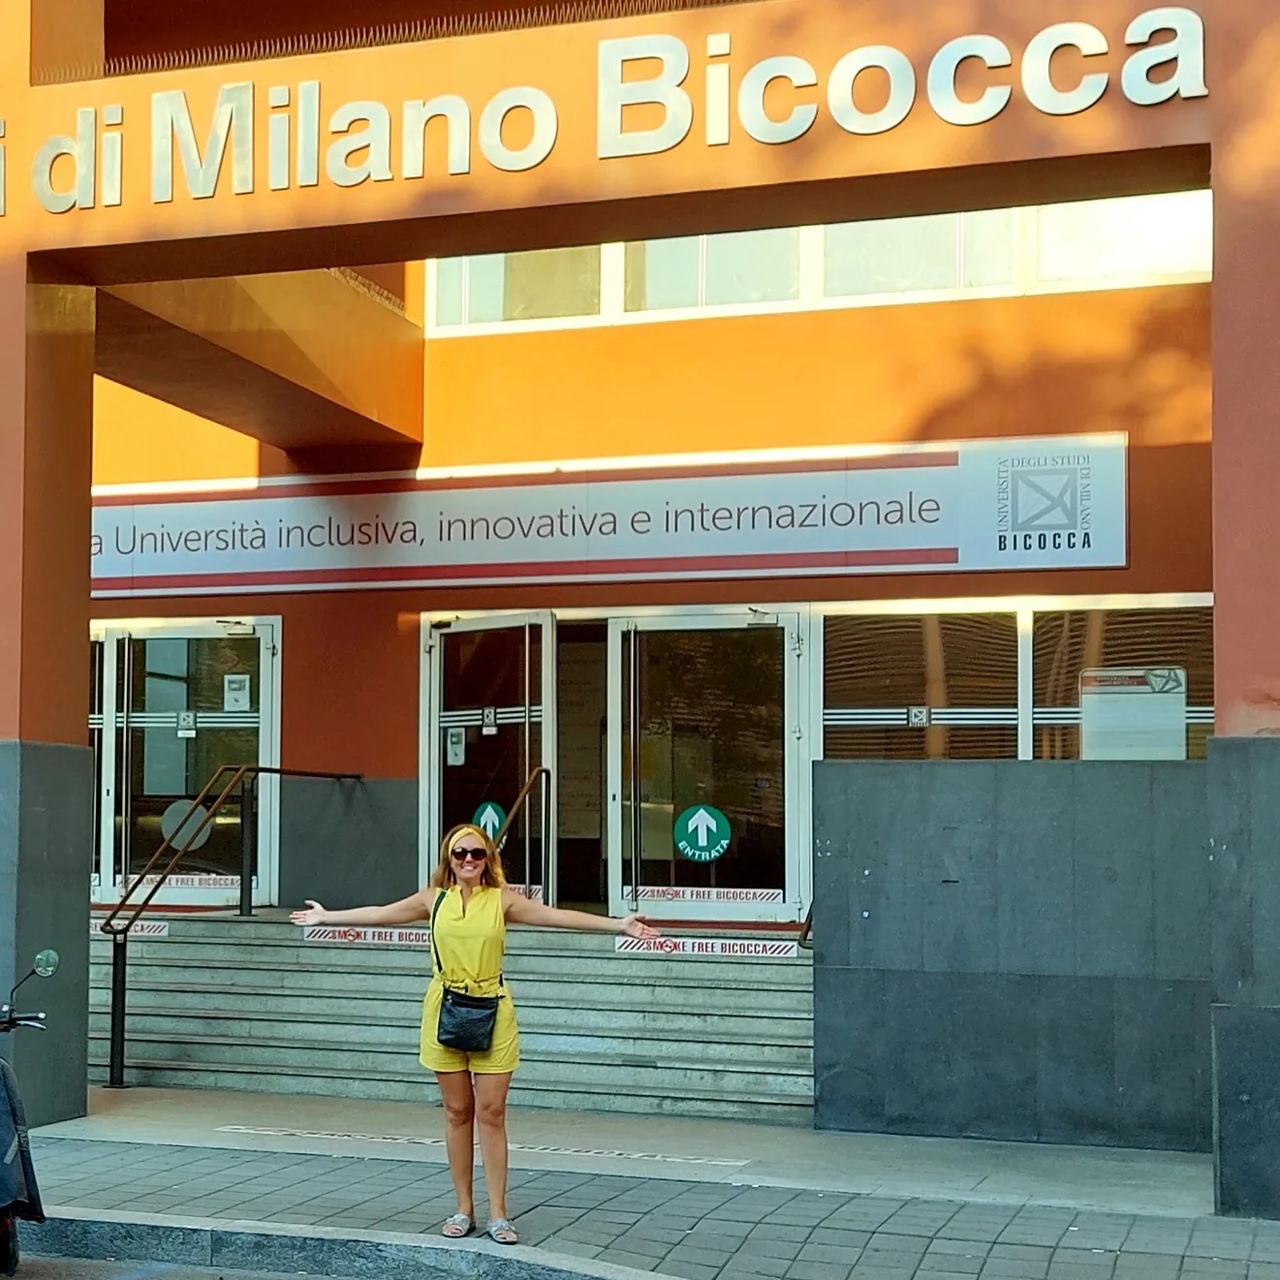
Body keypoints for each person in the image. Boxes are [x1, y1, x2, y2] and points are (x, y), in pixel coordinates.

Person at [289, 823, 658, 1246]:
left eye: (477, 853)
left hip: (492, 1010)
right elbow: (380, 913)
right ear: (449, 858)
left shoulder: (501, 900)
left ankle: (499, 1213)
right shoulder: (433, 899)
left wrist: (618, 924)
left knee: (492, 1113)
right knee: (457, 1112)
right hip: (445, 1009)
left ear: (488, 860)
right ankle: (464, 1207)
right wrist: (327, 916)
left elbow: (558, 916)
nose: (468, 859)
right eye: (460, 853)